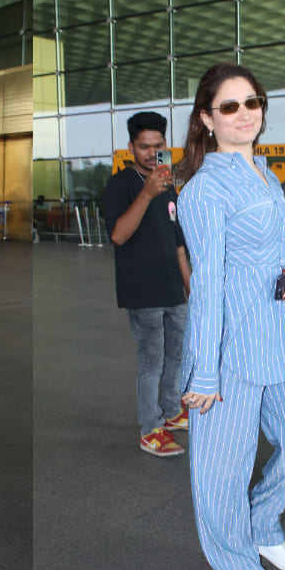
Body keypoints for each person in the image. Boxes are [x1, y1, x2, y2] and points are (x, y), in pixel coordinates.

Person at [176, 62, 285, 570]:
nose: (245, 114)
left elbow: (271, 250)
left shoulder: (266, 174)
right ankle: (234, 563)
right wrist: (206, 372)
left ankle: (262, 524)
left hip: (281, 336)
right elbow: (207, 284)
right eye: (230, 106)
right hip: (231, 347)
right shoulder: (203, 190)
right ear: (206, 119)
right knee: (223, 469)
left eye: (252, 102)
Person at [101, 112, 192, 457]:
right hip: (142, 292)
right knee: (151, 362)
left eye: (158, 146)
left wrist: (190, 289)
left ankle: (170, 412)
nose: (152, 152)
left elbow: (178, 243)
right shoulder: (119, 185)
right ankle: (150, 429)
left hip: (173, 290)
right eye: (144, 146)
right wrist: (147, 193)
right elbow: (119, 235)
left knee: (177, 356)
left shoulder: (170, 186)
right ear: (131, 147)